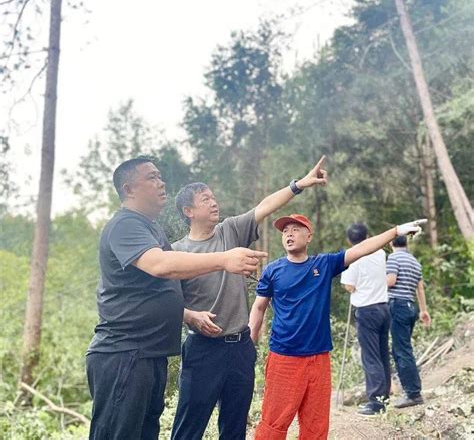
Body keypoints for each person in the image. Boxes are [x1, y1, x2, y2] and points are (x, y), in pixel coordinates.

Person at [86, 157, 266, 440]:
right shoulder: (124, 225)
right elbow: (160, 265)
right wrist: (223, 259)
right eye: (152, 177)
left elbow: (157, 289)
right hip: (124, 353)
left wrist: (187, 314)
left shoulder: (151, 228)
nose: (161, 183)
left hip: (150, 355)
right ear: (129, 188)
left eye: (161, 176)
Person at [171, 157, 329, 440]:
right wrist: (189, 315)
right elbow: (166, 302)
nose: (214, 202)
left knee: (234, 427)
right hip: (202, 350)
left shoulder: (230, 230)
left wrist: (299, 185)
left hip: (240, 346)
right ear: (188, 211)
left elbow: (265, 206)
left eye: (213, 197)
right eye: (205, 199)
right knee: (189, 427)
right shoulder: (176, 251)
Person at [250, 214, 426, 439]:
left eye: (295, 229)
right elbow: (258, 308)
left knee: (316, 426)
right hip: (284, 358)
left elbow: (361, 249)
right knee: (273, 423)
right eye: (285, 231)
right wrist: (249, 344)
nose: (289, 234)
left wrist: (395, 231)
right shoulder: (273, 271)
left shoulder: (323, 265)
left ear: (309, 236)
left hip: (319, 359)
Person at [340, 223, 390, 416]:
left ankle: (376, 402)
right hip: (383, 307)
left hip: (367, 309)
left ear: (349, 240)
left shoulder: (354, 255)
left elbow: (349, 285)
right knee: (382, 353)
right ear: (368, 235)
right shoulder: (379, 253)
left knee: (371, 356)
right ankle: (384, 397)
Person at [387, 235, 431, 408]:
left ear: (391, 243)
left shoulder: (393, 258)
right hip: (410, 307)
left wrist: (371, 285)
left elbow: (391, 281)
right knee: (403, 348)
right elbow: (420, 288)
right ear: (407, 243)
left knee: (401, 350)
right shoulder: (414, 261)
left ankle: (413, 394)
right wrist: (423, 310)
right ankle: (412, 391)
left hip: (398, 306)